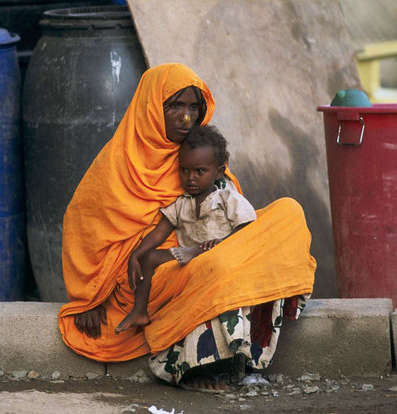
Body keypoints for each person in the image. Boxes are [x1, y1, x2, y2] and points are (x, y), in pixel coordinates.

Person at [58, 63, 315, 391]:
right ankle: (195, 367)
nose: (185, 118)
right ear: (150, 109)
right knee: (218, 264)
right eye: (174, 106)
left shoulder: (198, 156)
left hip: (207, 251)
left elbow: (233, 220)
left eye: (193, 107)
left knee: (287, 212)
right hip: (148, 280)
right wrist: (88, 299)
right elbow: (83, 230)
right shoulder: (115, 166)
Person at [114, 125, 257, 334]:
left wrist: (221, 242)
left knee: (217, 250)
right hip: (187, 259)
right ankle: (139, 311)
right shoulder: (182, 202)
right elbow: (158, 233)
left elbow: (248, 227)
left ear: (218, 171)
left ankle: (199, 251)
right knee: (149, 258)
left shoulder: (227, 197)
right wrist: (136, 255)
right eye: (184, 170)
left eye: (200, 171)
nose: (190, 178)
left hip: (219, 257)